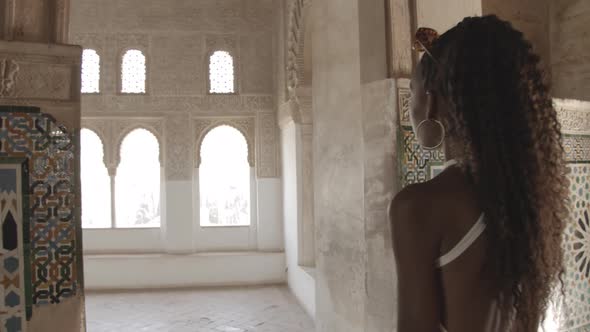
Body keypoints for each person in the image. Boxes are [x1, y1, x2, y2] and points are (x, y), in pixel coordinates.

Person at [390, 15, 568, 332]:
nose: (410, 107)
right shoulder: (531, 195)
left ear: (430, 103)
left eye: (412, 95)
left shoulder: (418, 206)